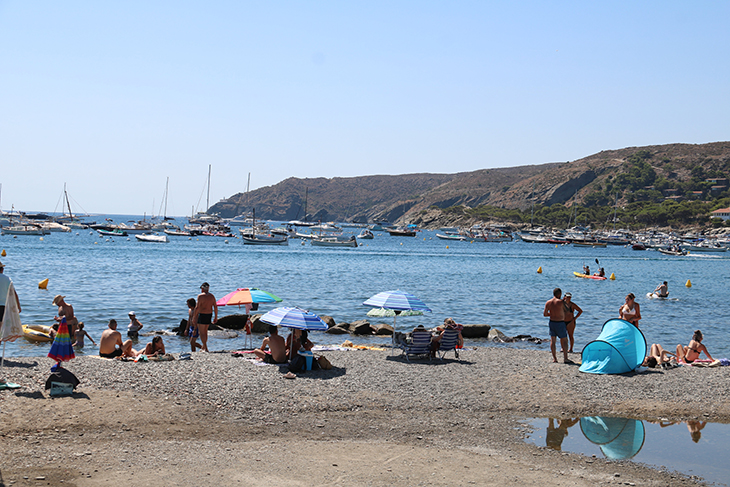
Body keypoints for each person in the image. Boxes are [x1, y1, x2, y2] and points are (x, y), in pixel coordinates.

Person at [544, 287, 572, 364]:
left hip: (552, 322)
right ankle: (565, 358)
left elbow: (545, 314)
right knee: (564, 340)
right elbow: (567, 310)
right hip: (560, 322)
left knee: (553, 340)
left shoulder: (548, 302)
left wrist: (552, 313)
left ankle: (555, 358)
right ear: (559, 294)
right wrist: (565, 301)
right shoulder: (561, 302)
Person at [193, 282, 218, 352]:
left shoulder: (200, 296)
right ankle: (203, 347)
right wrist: (216, 317)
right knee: (205, 332)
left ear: (202, 289)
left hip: (202, 314)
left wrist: (194, 317)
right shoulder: (212, 296)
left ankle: (206, 348)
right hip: (209, 314)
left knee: (201, 332)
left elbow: (197, 307)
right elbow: (215, 307)